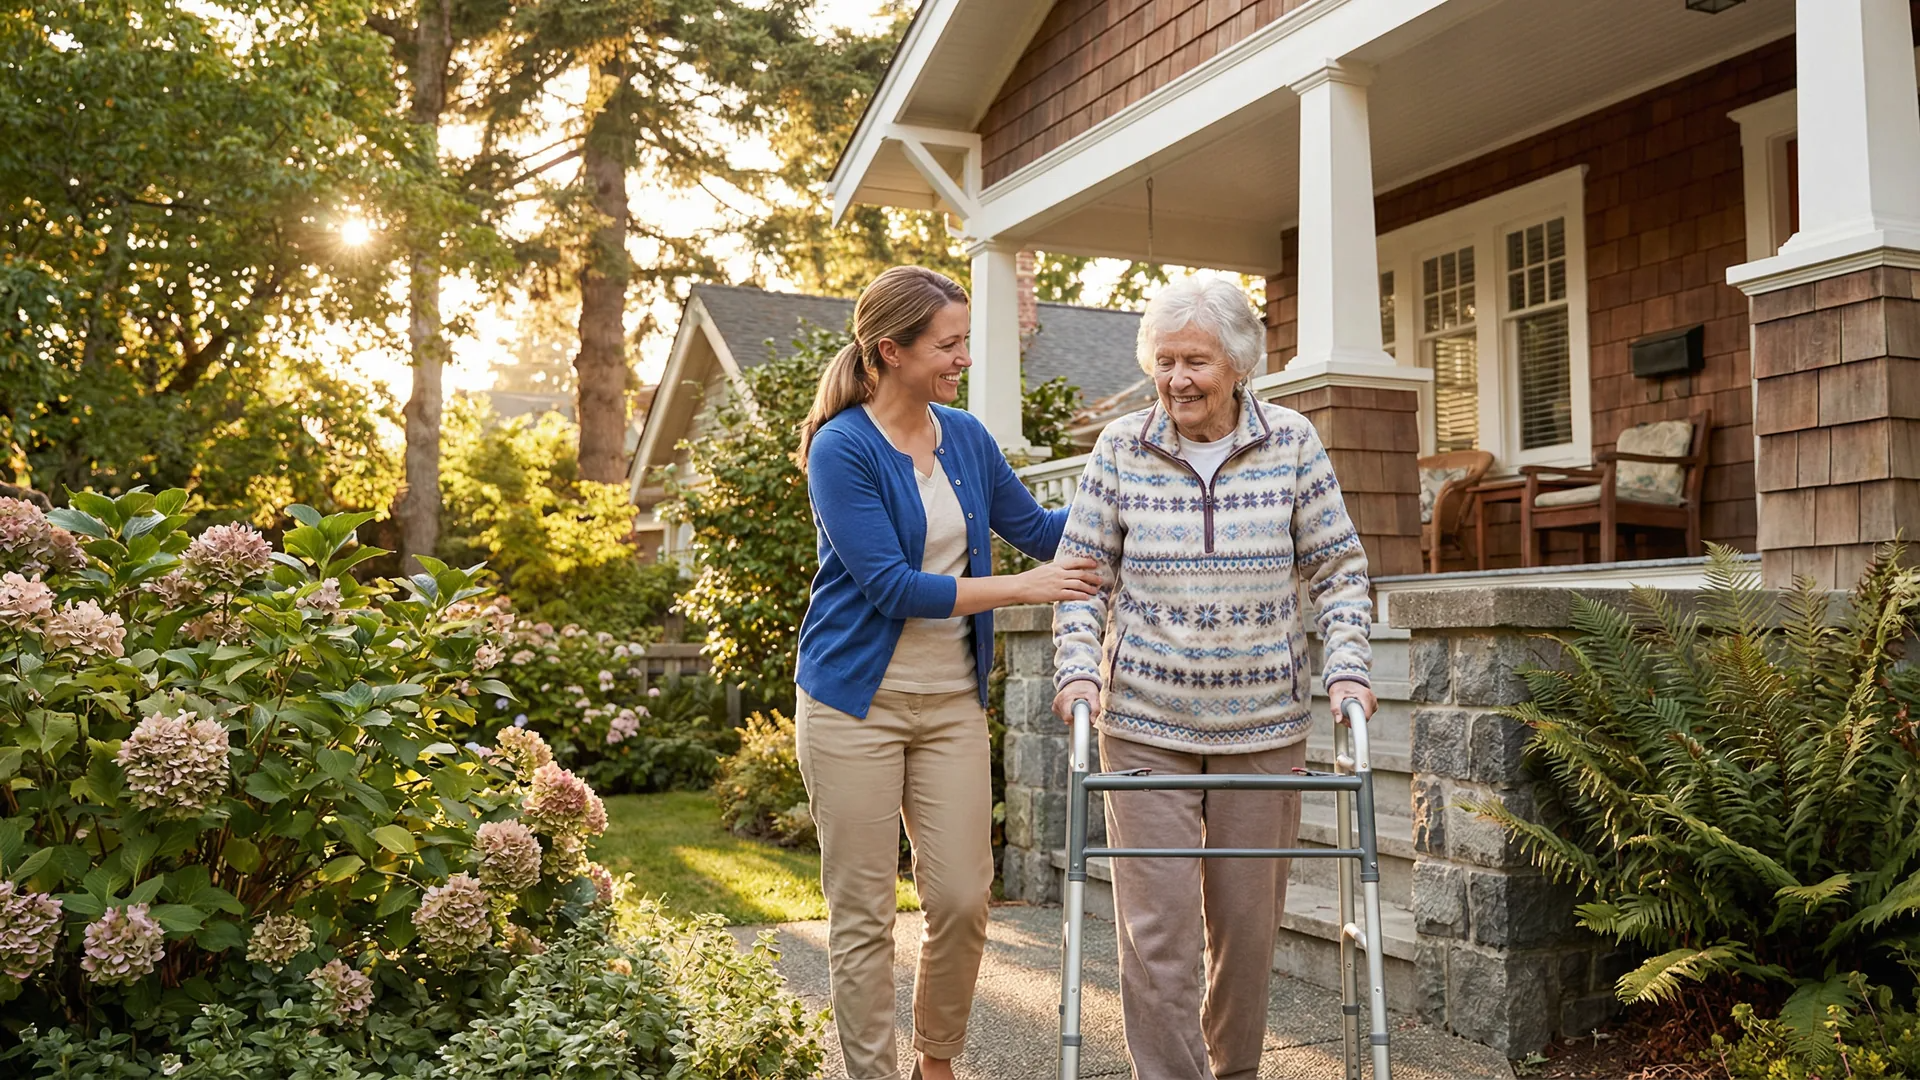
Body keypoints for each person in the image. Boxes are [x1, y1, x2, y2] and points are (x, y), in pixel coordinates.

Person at [1050, 275, 1378, 1080]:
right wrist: (1076, 673)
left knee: (1245, 933)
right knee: (1156, 937)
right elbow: (1082, 579)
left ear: (1238, 364)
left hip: (1263, 728)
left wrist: (1347, 669)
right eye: (1164, 361)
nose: (1177, 380)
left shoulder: (1294, 442)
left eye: (1194, 360)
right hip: (1144, 726)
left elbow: (1338, 571)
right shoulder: (1120, 448)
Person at [795, 265, 1102, 1080]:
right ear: (890, 351)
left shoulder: (963, 436)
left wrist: (1127, 482)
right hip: (853, 705)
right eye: (949, 343)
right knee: (862, 916)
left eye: (965, 340)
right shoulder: (842, 448)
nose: (962, 357)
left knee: (964, 900)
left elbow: (1040, 531)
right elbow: (892, 586)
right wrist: (1024, 590)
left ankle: (939, 1059)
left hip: (951, 705)